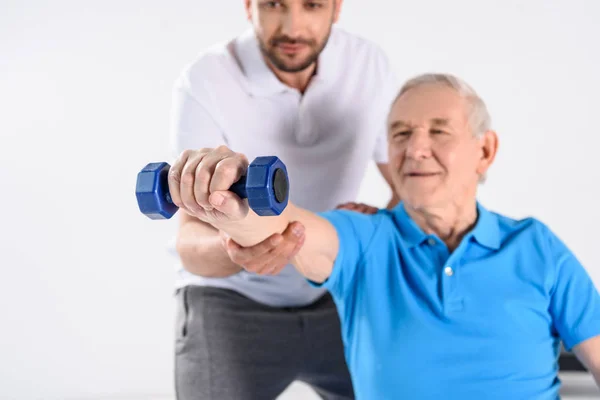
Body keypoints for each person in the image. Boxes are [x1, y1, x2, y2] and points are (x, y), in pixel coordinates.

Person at [167, 73, 600, 399]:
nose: (415, 148)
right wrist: (228, 195)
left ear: (484, 151)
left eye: (438, 131)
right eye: (401, 134)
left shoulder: (537, 248)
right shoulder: (366, 239)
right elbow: (282, 224)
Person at [168, 0, 401, 398]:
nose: (293, 27)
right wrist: (237, 248)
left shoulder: (368, 65)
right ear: (249, 6)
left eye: (312, 5)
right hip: (232, 302)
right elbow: (188, 242)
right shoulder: (206, 79)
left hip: (337, 294)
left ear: (336, 8)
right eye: (274, 4)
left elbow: (411, 189)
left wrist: (372, 232)